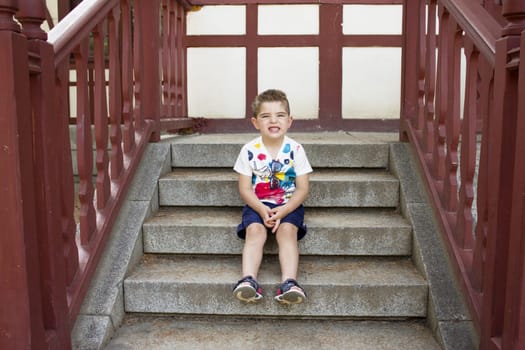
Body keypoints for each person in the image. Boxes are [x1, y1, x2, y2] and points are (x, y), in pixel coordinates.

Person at [232, 89, 313, 305]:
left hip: (289, 205)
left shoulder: (296, 150)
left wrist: (284, 211)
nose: (273, 120)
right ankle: (248, 279)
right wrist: (260, 209)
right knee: (255, 231)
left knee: (287, 231)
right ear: (255, 122)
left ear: (289, 121)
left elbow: (302, 189)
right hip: (257, 204)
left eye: (280, 115)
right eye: (265, 116)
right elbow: (245, 189)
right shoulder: (249, 150)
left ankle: (289, 282)